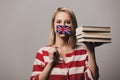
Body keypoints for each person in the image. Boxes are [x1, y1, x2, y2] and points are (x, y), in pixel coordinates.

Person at [30, 7, 99, 80]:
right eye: (58, 22)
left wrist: (91, 50)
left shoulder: (83, 51)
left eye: (68, 22)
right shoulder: (42, 53)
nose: (63, 25)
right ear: (53, 26)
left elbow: (93, 78)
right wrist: (50, 62)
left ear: (73, 26)